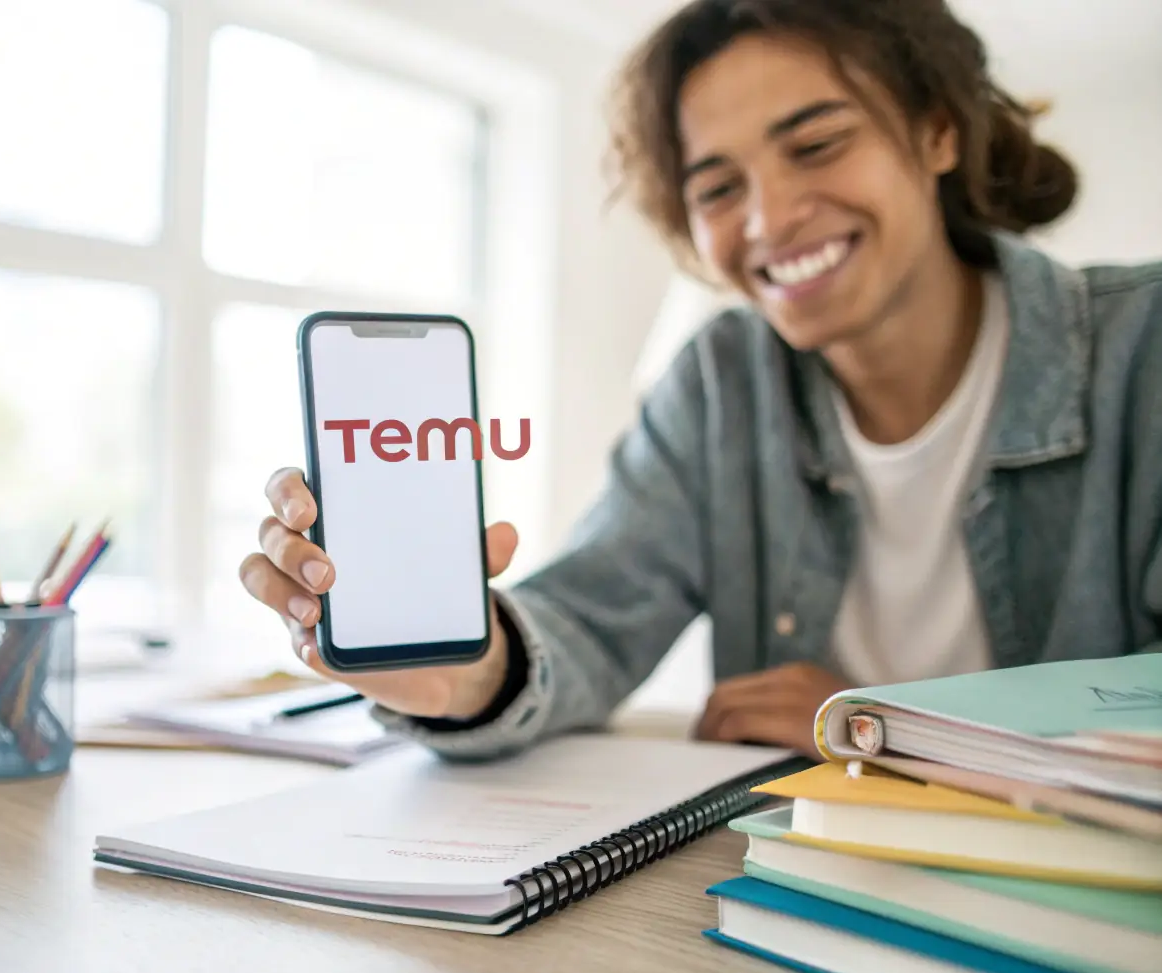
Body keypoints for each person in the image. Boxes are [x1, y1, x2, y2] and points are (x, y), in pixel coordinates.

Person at [240, 0, 1162, 760]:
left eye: (816, 144)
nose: (770, 219)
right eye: (718, 188)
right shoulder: (721, 383)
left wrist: (894, 728)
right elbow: (589, 618)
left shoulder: (1141, 348)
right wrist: (464, 674)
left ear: (936, 133)